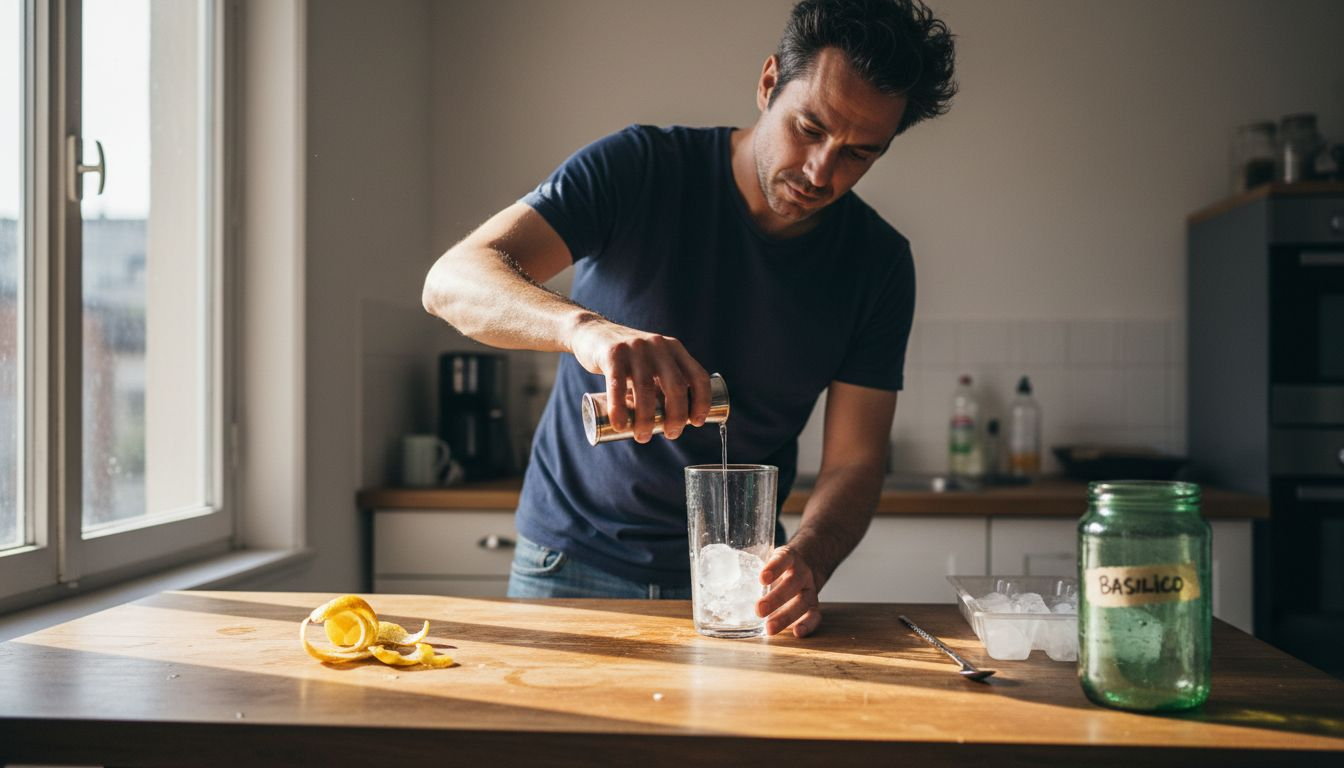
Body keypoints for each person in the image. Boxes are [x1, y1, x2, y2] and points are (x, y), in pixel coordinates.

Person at [421, 0, 956, 637]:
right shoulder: (639, 168)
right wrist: (585, 331)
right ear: (767, 85)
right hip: (567, 562)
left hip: (740, 581)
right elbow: (451, 280)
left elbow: (855, 464)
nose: (821, 172)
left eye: (858, 154)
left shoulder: (879, 263)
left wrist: (809, 558)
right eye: (810, 129)